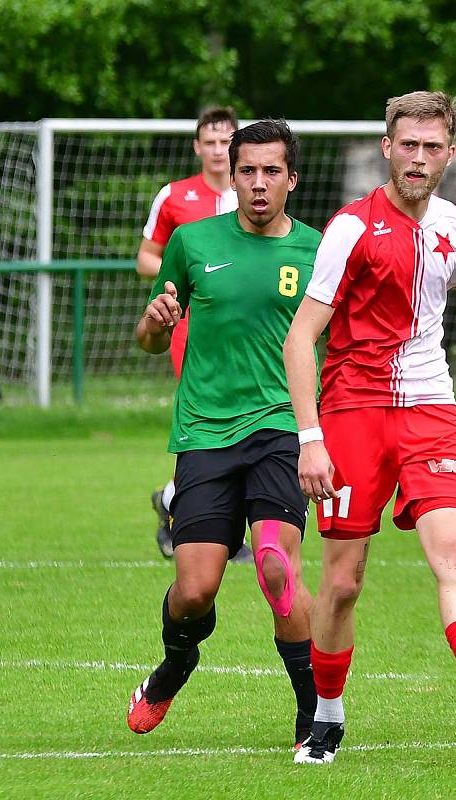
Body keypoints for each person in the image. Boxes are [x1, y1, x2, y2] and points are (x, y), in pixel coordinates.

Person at [283, 91, 456, 765]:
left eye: (432, 147)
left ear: (449, 156)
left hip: (431, 412)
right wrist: (310, 437)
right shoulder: (349, 228)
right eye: (408, 145)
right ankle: (327, 716)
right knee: (341, 584)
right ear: (386, 148)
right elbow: (301, 337)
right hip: (351, 416)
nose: (418, 158)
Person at [127, 119, 323, 749]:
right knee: (194, 589)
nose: (259, 183)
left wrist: (322, 429)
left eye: (272, 171)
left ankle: (312, 714)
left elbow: (339, 342)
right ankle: (176, 665)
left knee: (275, 565)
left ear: (292, 179)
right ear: (231, 175)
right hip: (205, 432)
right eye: (248, 171)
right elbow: (152, 336)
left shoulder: (318, 250)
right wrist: (156, 321)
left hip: (280, 428)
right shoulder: (190, 242)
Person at [137, 106, 252, 561]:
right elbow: (148, 258)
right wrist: (183, 276)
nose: (219, 151)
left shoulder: (254, 194)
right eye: (211, 142)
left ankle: (172, 498)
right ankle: (208, 523)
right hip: (193, 328)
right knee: (215, 419)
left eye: (227, 141)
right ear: (197, 147)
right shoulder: (175, 196)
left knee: (242, 416)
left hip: (244, 329)